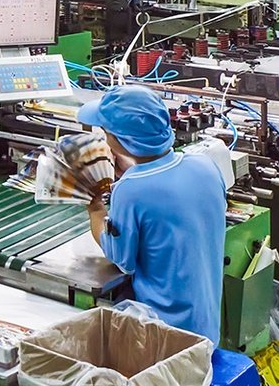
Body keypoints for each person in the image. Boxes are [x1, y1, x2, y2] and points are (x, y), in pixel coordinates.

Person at [82, 85, 226, 343]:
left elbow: (122, 260)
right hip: (205, 326)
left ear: (120, 141)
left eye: (106, 132)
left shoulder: (131, 189)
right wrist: (135, 167)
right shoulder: (205, 165)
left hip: (165, 336)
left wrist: (95, 209)